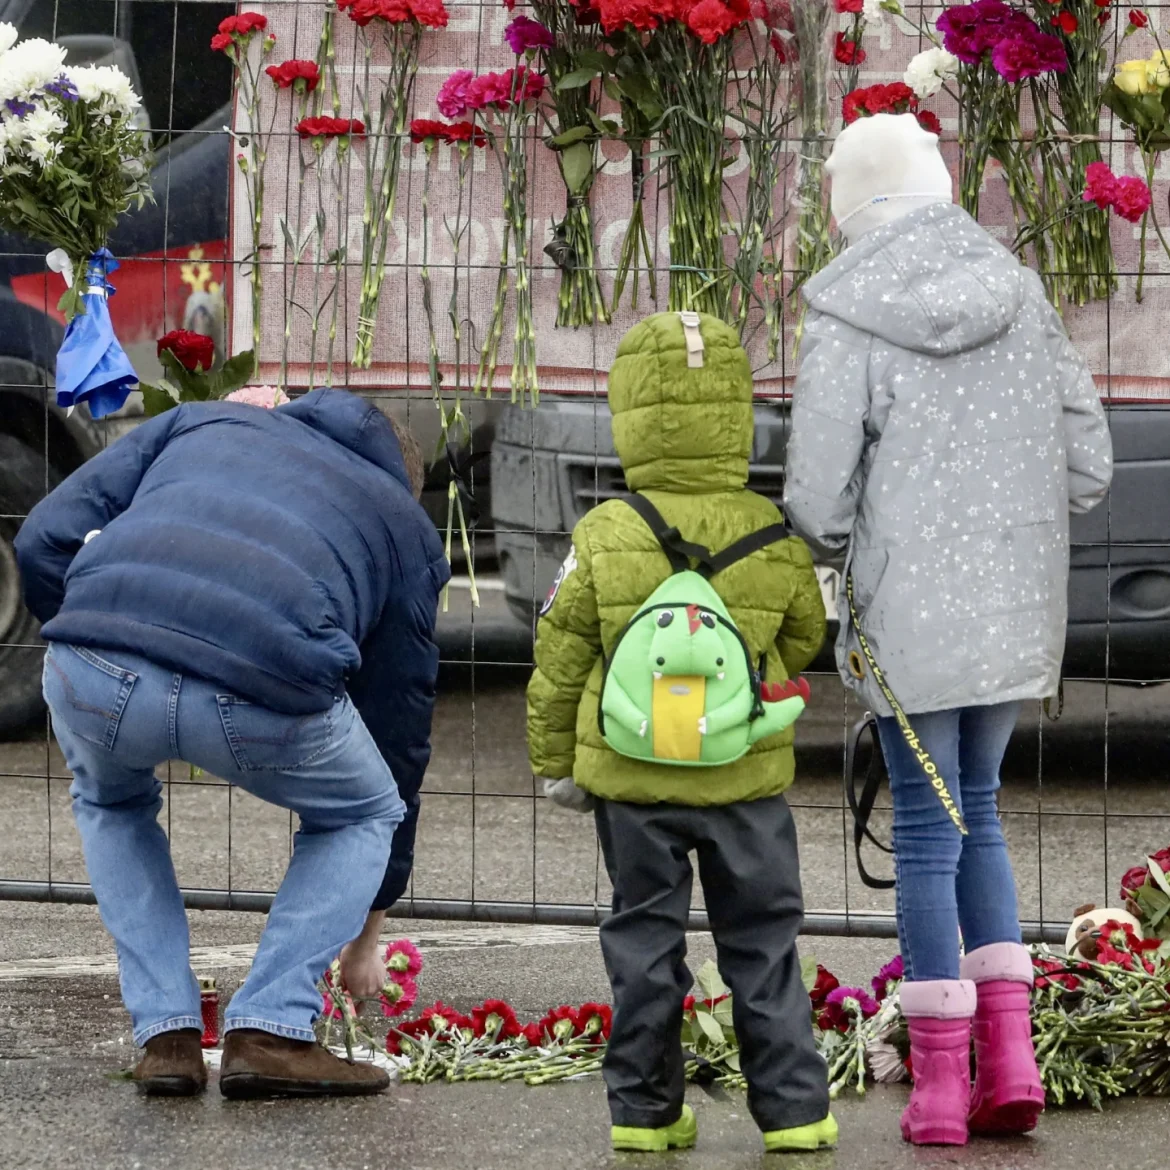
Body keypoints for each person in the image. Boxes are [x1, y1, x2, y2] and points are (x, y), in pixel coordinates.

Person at [783, 114, 1113, 1146]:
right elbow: (1090, 464)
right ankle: (1010, 1064)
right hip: (1014, 603)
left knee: (927, 832)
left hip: (906, 611)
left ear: (852, 204)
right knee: (981, 811)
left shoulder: (845, 313)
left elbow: (817, 500)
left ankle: (936, 1090)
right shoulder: (1020, 290)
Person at [15, 388, 449, 1099]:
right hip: (259, 679)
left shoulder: (205, 419)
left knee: (110, 803)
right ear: (405, 481)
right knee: (365, 810)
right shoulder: (403, 523)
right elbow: (397, 730)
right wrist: (370, 926)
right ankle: (273, 1031)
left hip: (90, 657)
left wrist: (95, 632)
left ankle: (166, 1039)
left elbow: (40, 538)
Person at [528, 311, 837, 1154]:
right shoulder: (771, 531)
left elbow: (560, 654)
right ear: (737, 413)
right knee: (762, 942)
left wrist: (557, 761)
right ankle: (794, 1113)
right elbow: (805, 636)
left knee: (643, 942)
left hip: (632, 782)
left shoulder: (606, 532)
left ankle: (645, 1114)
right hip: (745, 776)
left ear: (629, 413)